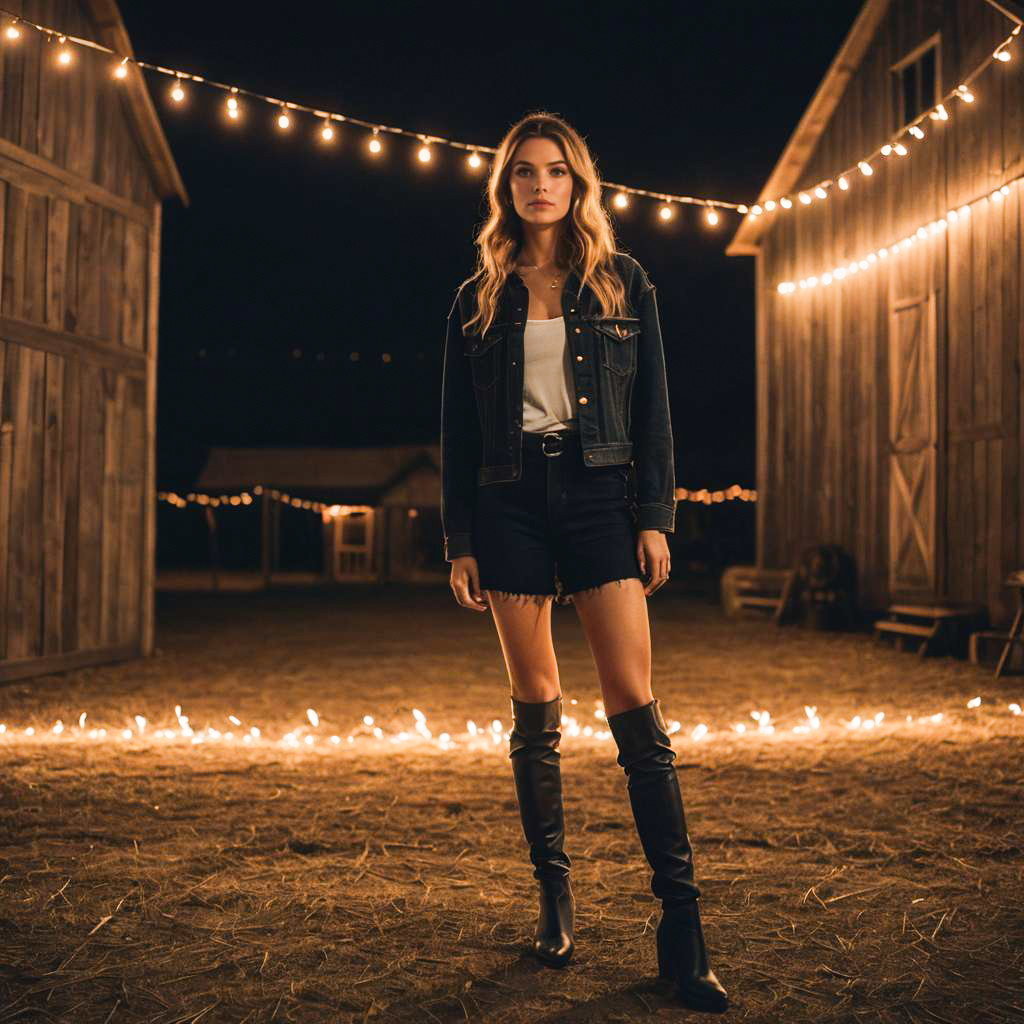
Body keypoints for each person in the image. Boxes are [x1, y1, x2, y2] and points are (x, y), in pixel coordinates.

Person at [439, 111, 728, 1014]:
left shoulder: (623, 282)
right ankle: (555, 898)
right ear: (506, 188)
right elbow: (454, 431)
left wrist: (655, 517)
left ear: (577, 184)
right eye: (523, 172)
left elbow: (655, 414)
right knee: (537, 713)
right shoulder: (476, 298)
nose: (539, 185)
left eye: (555, 171)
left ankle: (683, 930)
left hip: (602, 497)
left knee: (635, 712)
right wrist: (460, 540)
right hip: (510, 503)